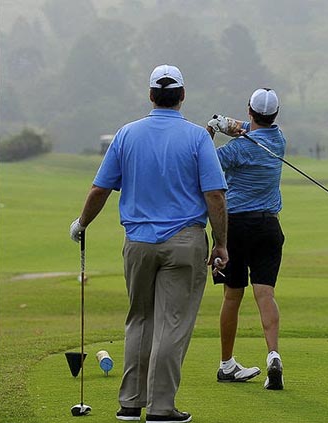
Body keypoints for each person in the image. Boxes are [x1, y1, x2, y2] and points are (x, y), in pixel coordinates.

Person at [69, 64, 229, 423]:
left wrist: (82, 224)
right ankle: (161, 408)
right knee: (172, 323)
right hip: (185, 241)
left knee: (140, 320)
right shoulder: (197, 137)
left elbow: (100, 189)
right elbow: (215, 196)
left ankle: (130, 403)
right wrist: (221, 244)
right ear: (182, 96)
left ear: (151, 95)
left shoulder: (126, 135)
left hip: (137, 243)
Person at [206, 88, 286, 390]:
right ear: (275, 115)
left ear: (250, 111)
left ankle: (227, 364)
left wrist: (214, 128)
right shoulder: (279, 140)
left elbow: (204, 162)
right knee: (265, 294)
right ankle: (273, 355)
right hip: (268, 227)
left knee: (232, 296)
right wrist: (233, 125)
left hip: (236, 226)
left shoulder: (238, 150)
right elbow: (254, 129)